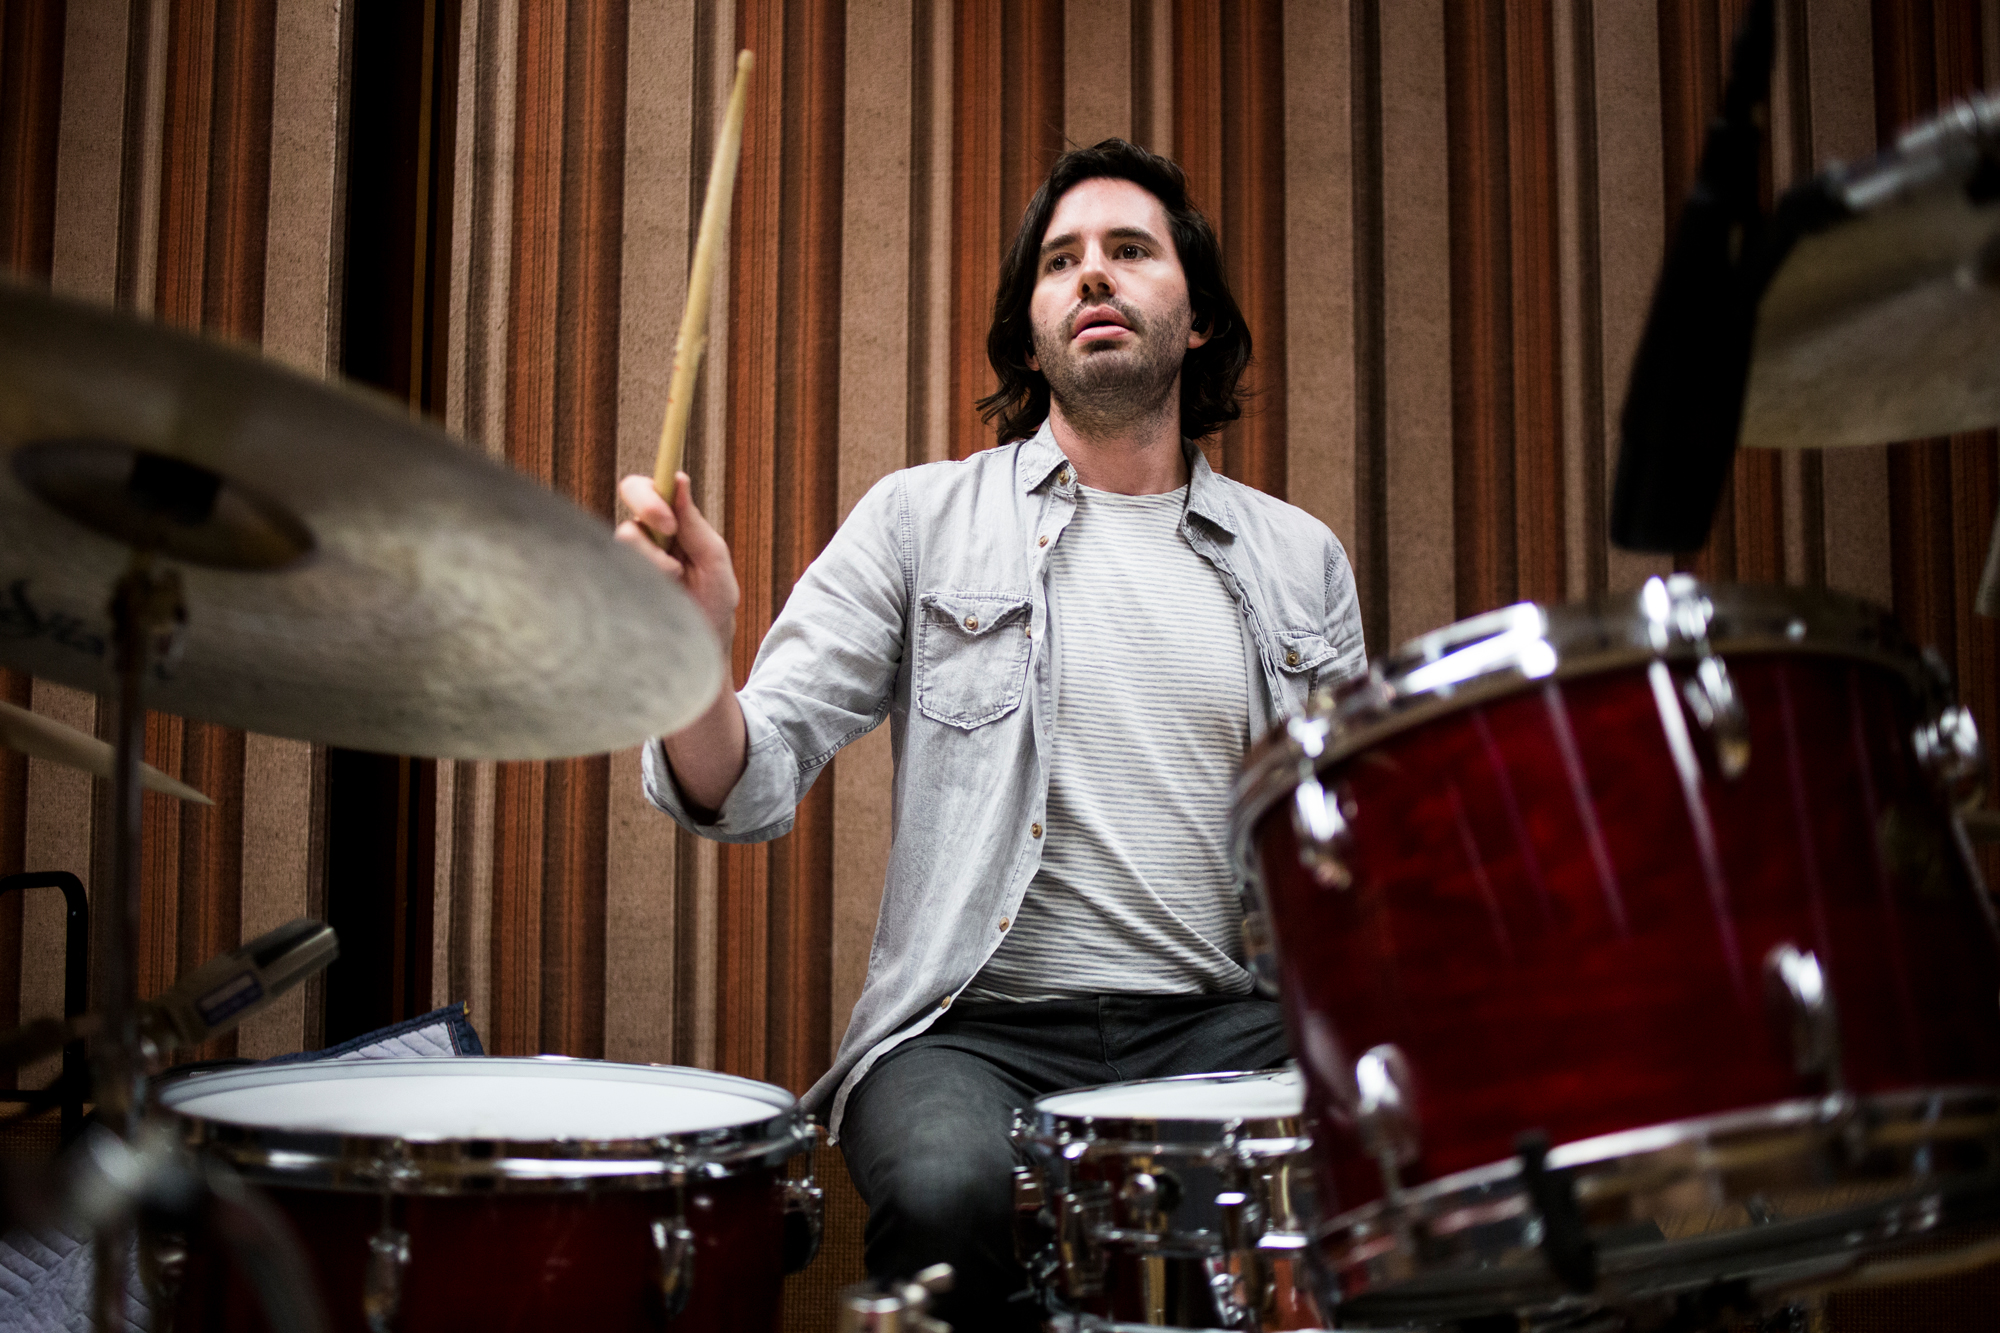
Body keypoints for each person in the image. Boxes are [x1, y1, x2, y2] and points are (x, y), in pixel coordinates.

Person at [616, 139, 1365, 1331]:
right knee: (947, 1193)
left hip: (1219, 1020)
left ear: (1199, 321)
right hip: (969, 1035)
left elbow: (1346, 848)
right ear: (1028, 338)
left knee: (1406, 1129)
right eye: (1061, 261)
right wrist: (686, 658)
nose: (1093, 274)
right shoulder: (918, 520)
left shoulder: (1297, 558)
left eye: (1130, 250)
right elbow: (743, 781)